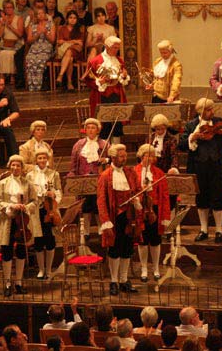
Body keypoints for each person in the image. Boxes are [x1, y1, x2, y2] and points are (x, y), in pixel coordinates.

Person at [179, 98, 222, 243]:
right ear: (201, 111)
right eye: (208, 110)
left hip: (217, 166)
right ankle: (204, 229)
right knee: (201, 199)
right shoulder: (191, 125)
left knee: (218, 198)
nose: (212, 112)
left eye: (212, 109)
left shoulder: (219, 122)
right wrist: (193, 137)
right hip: (199, 167)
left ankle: (219, 231)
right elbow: (182, 145)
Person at [97, 144, 141, 295]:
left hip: (129, 217)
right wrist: (105, 220)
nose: (125, 158)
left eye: (125, 155)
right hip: (114, 217)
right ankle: (114, 281)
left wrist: (137, 199)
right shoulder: (105, 176)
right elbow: (101, 200)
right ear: (114, 158)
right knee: (114, 249)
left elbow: (136, 190)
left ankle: (124, 280)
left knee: (127, 249)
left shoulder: (131, 173)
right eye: (121, 156)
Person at [0, 154, 38, 297]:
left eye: (18, 165)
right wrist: (12, 206)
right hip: (7, 221)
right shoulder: (3, 183)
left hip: (22, 222)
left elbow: (34, 201)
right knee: (6, 252)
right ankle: (7, 283)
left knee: (20, 252)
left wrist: (25, 207)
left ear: (22, 168)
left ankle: (18, 283)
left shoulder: (27, 183)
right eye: (13, 165)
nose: (15, 167)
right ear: (9, 166)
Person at [134, 144, 170, 282]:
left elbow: (165, 196)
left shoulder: (159, 173)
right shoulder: (134, 172)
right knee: (142, 242)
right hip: (139, 209)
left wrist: (165, 216)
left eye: (152, 156)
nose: (150, 158)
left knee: (155, 241)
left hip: (154, 210)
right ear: (141, 156)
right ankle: (144, 268)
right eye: (147, 155)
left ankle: (155, 268)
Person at [68, 117, 108, 239]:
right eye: (88, 128)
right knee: (85, 207)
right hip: (83, 181)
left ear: (98, 130)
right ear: (85, 130)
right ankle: (85, 232)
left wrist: (106, 160)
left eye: (93, 128)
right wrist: (73, 177)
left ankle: (102, 230)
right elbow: (74, 163)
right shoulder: (78, 145)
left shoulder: (104, 144)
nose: (90, 130)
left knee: (98, 206)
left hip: (98, 181)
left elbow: (111, 160)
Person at [26, 149, 62, 279]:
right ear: (36, 160)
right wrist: (41, 194)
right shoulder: (30, 175)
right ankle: (41, 269)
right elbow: (29, 193)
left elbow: (59, 191)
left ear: (47, 159)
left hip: (50, 209)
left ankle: (49, 269)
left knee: (50, 240)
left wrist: (54, 197)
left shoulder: (54, 174)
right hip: (36, 210)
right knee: (39, 240)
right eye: (39, 158)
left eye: (44, 158)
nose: (42, 160)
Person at [85, 35, 129, 138]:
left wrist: (124, 76)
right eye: (115, 47)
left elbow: (122, 77)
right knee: (103, 125)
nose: (117, 50)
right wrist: (99, 81)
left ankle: (116, 150)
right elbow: (88, 79)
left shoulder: (120, 60)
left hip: (117, 95)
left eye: (118, 48)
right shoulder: (95, 61)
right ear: (107, 46)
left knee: (117, 124)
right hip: (101, 96)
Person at [149, 113, 179, 218]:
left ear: (165, 127)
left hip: (166, 170)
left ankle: (169, 223)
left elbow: (174, 155)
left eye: (162, 129)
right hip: (153, 172)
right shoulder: (151, 137)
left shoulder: (171, 139)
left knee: (168, 198)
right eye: (157, 129)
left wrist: (173, 168)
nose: (159, 131)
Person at [25, 7, 55, 91]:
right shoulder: (32, 25)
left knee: (40, 59)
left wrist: (45, 32)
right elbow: (29, 40)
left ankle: (40, 85)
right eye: (38, 14)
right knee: (30, 59)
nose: (40, 15)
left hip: (46, 47)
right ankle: (32, 86)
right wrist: (37, 34)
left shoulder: (50, 24)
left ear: (45, 14)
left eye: (42, 13)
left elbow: (52, 40)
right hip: (35, 47)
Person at [55, 10, 84, 91]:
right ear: (67, 19)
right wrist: (73, 41)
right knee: (70, 58)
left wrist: (68, 42)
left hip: (76, 51)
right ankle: (69, 82)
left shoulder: (80, 29)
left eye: (74, 18)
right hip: (65, 51)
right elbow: (59, 42)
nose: (72, 19)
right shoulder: (62, 28)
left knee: (69, 51)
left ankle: (60, 75)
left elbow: (81, 44)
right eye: (70, 18)